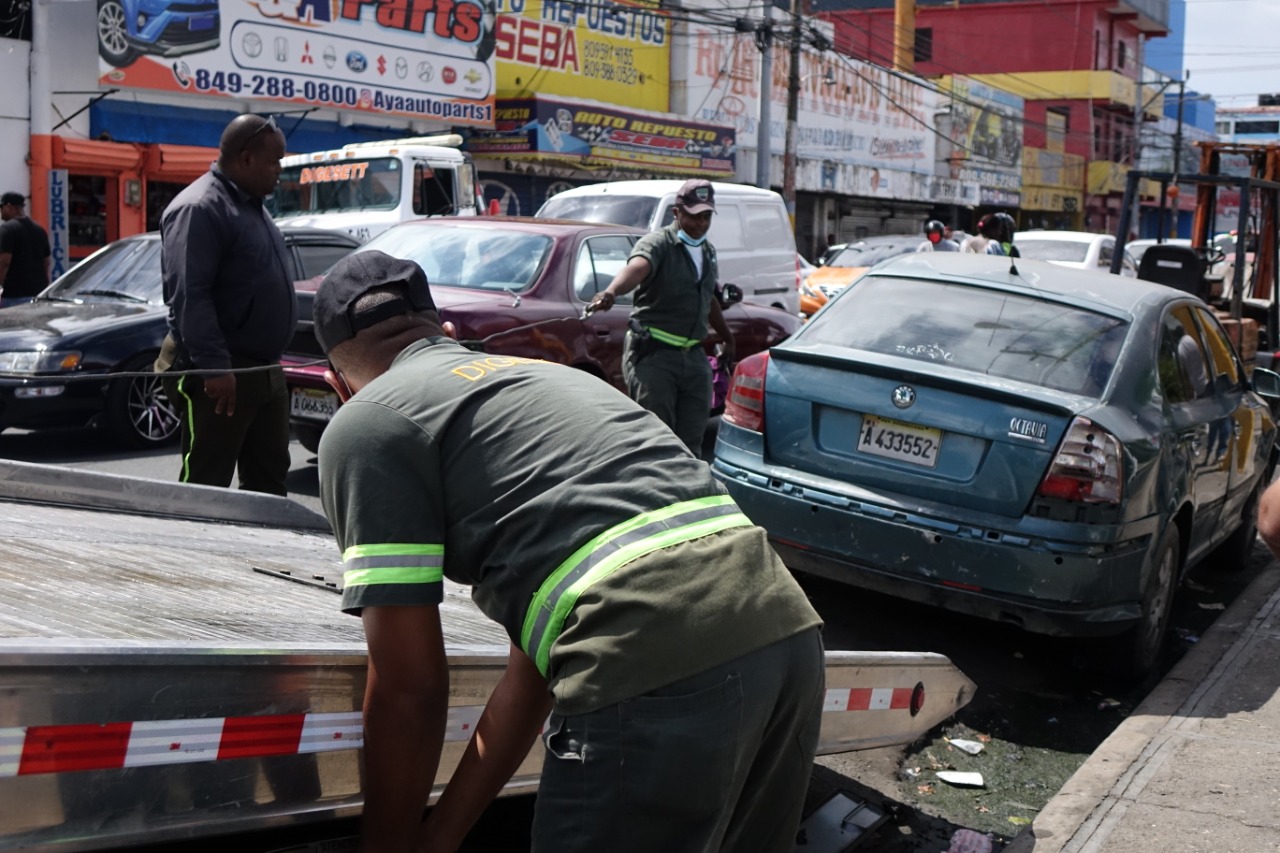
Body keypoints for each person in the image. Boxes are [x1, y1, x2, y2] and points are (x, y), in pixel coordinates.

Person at [312, 250, 825, 853]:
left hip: (652, 653)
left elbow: (409, 689)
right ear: (448, 335)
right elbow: (531, 673)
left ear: (335, 383)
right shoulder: (551, 381)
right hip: (788, 636)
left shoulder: (367, 422)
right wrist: (440, 836)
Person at [154, 114, 296, 496]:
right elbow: (189, 295)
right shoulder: (200, 207)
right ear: (245, 159)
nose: (280, 170)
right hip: (221, 371)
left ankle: (263, 557)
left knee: (268, 482)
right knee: (206, 484)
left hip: (264, 369)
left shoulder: (253, 205)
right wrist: (215, 367)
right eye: (274, 161)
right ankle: (190, 557)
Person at [587, 179, 736, 453]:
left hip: (693, 357)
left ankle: (688, 491)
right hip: (654, 356)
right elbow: (638, 267)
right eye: (693, 217)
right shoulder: (658, 244)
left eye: (706, 217)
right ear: (677, 213)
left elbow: (709, 298)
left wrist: (727, 337)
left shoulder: (707, 251)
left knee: (691, 443)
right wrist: (610, 292)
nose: (700, 224)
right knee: (657, 439)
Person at [0, 191, 51, 307]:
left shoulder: (7, 229)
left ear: (9, 207)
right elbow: (47, 262)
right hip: (38, 295)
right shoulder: (39, 230)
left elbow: (4, 261)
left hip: (13, 295)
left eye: (1, 207)